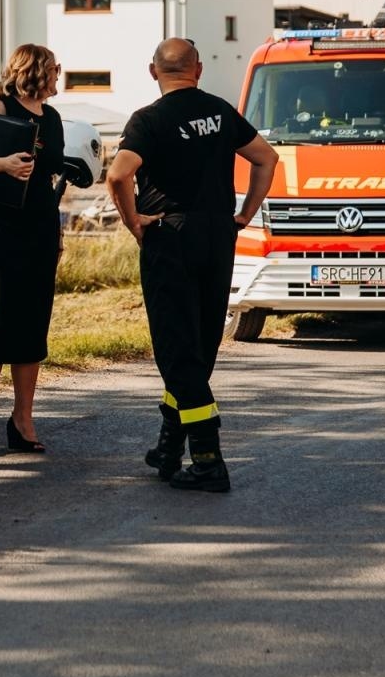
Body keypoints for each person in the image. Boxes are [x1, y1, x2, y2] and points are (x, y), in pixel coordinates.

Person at [105, 38, 277, 493]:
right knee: (197, 347)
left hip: (171, 238)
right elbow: (267, 157)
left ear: (152, 71)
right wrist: (245, 214)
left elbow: (119, 174)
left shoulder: (148, 120)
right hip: (218, 236)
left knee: (177, 350)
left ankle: (207, 459)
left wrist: (134, 221)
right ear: (198, 70)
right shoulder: (220, 112)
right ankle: (168, 446)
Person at [0, 44, 63, 455]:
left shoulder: (53, 117)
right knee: (1, 323)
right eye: (55, 68)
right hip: (3, 228)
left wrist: (57, 235)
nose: (60, 74)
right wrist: (2, 164)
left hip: (41, 225)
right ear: (38, 70)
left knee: (35, 325)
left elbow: (50, 174)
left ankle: (22, 419)